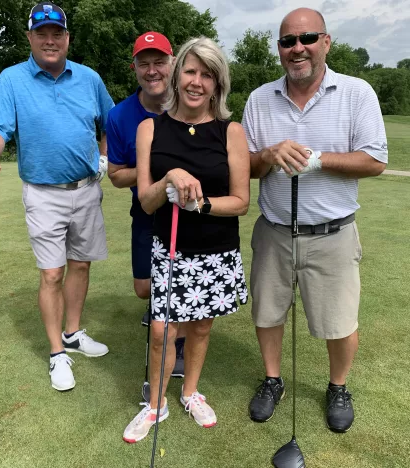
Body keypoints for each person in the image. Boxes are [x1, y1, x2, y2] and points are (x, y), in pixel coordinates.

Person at [242, 7, 388, 432]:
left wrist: (318, 160)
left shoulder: (356, 92)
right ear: (280, 49)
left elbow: (375, 160)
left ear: (326, 42)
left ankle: (338, 386)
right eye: (288, 41)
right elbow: (247, 166)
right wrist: (268, 156)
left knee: (340, 321)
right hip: (274, 231)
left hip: (333, 233)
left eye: (307, 38)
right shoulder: (259, 98)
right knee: (267, 314)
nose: (298, 48)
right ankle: (273, 380)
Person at [0, 2, 114, 392]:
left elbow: (110, 123)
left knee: (80, 267)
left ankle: (72, 333)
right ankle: (57, 353)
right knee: (52, 273)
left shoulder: (88, 78)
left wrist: (103, 157)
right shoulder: (11, 80)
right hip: (42, 193)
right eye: (42, 34)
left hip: (86, 189)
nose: (50, 41)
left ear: (67, 38)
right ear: (30, 38)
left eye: (57, 34)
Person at [122, 36, 250, 443]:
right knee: (162, 331)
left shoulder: (231, 132)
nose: (197, 82)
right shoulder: (149, 128)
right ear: (178, 76)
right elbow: (145, 201)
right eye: (191, 71)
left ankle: (191, 393)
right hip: (169, 247)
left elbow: (241, 201)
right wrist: (168, 179)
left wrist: (201, 205)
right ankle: (156, 404)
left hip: (215, 249)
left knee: (200, 328)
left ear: (218, 83)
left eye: (207, 74)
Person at [106, 32, 186, 378]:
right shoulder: (121, 115)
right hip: (146, 210)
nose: (152, 70)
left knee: (180, 283)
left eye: (159, 62)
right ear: (134, 68)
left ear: (173, 64)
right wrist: (158, 169)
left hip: (189, 213)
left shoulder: (192, 102)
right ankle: (159, 306)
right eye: (144, 63)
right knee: (144, 287)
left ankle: (177, 349)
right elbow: (115, 175)